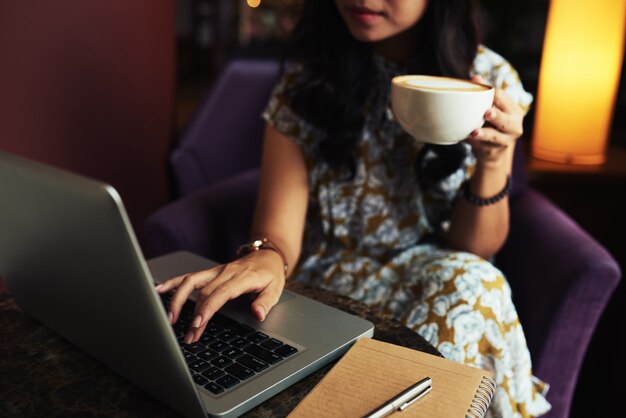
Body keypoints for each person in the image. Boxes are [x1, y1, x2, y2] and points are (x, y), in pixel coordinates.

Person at [156, 1, 551, 416]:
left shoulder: (487, 82)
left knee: (473, 281)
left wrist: (492, 161)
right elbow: (279, 228)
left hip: (433, 278)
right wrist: (267, 255)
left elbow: (474, 248)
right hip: (331, 282)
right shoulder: (311, 74)